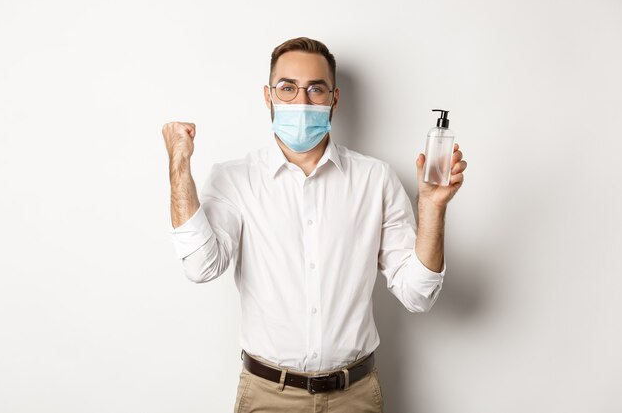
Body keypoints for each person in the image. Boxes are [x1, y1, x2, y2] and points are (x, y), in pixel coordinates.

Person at [162, 36, 467, 413]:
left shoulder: (376, 179)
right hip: (267, 395)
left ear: (334, 98)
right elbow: (200, 265)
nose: (301, 102)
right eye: (287, 88)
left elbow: (418, 295)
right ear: (268, 95)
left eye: (315, 90)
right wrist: (179, 165)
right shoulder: (234, 179)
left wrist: (433, 208)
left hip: (354, 396)